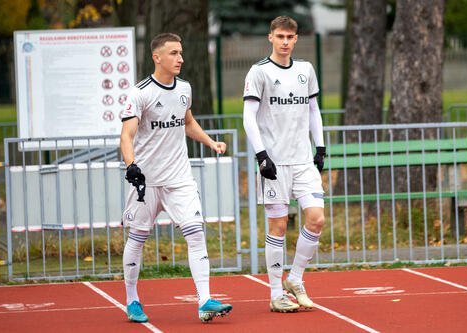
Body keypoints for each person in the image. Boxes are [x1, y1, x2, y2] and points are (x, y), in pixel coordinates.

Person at [120, 32, 232, 323]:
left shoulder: (184, 88)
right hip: (147, 182)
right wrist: (131, 165)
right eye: (173, 53)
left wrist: (211, 143)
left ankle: (204, 300)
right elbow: (127, 135)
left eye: (181, 53)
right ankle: (132, 300)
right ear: (157, 57)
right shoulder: (140, 93)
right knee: (137, 238)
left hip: (179, 179)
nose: (180, 58)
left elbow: (188, 122)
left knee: (195, 233)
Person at [243, 16, 326, 312]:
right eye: (280, 36)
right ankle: (276, 293)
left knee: (316, 218)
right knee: (278, 226)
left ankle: (296, 278)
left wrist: (321, 148)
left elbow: (313, 110)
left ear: (296, 39)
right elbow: (248, 118)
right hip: (274, 164)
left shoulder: (306, 70)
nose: (285, 42)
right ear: (270, 38)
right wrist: (261, 155)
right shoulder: (259, 72)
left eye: (290, 37)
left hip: (303, 161)